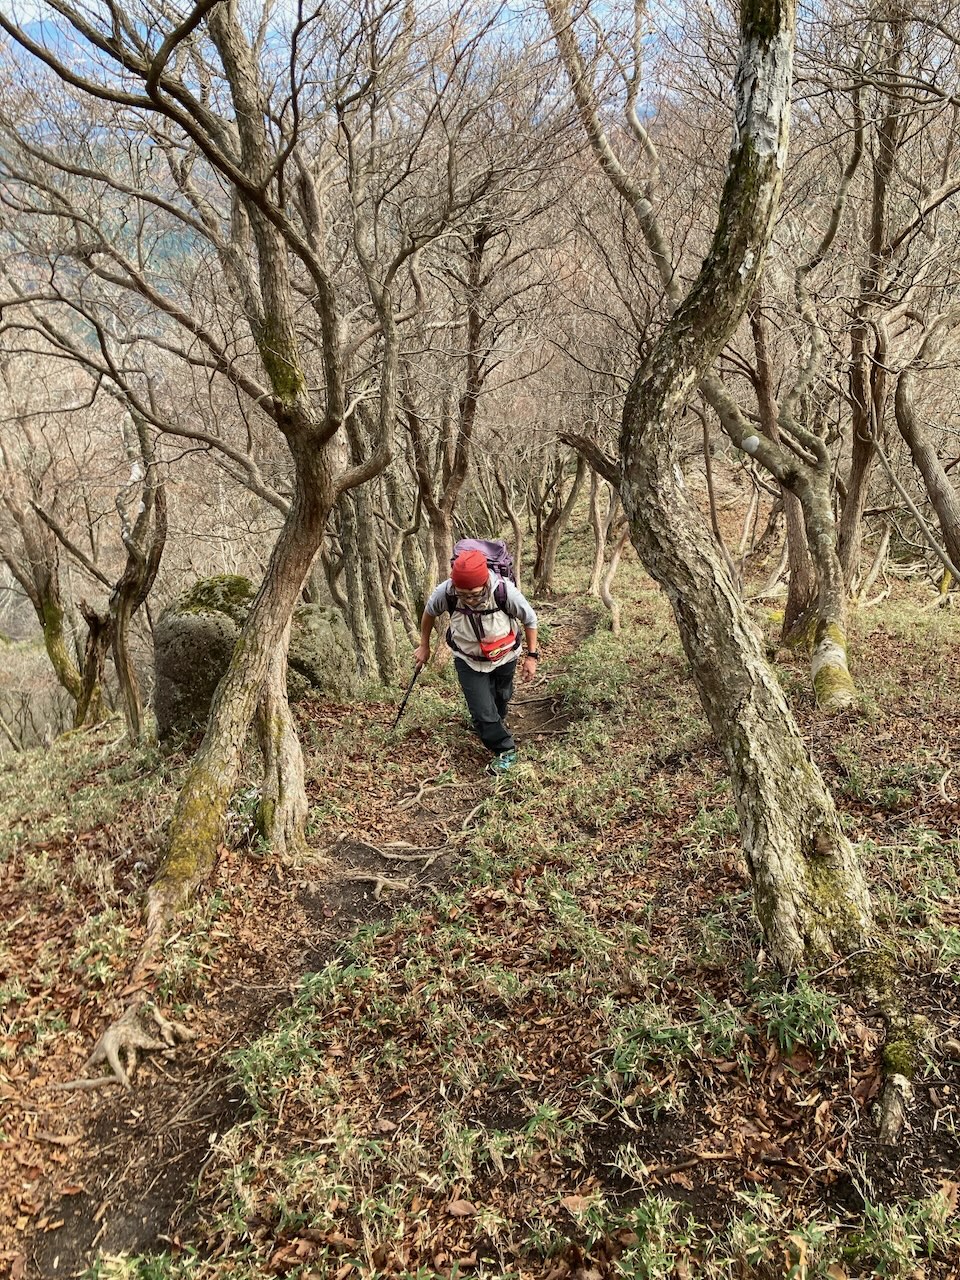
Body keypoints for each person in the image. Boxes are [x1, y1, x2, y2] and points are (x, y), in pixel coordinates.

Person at [414, 548, 539, 773]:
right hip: (468, 658)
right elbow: (429, 613)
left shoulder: (504, 592)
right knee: (481, 710)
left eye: (474, 593)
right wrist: (424, 645)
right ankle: (504, 749)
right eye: (463, 594)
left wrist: (532, 656)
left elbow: (529, 619)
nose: (469, 599)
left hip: (505, 654)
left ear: (485, 584)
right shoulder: (446, 592)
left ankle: (495, 720)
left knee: (502, 695)